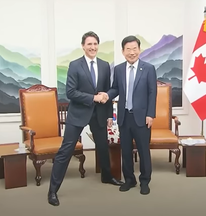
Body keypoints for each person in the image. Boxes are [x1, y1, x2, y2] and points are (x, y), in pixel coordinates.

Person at [48, 31, 123, 207]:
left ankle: (107, 176)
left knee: (103, 147)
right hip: (78, 114)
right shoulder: (75, 65)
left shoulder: (105, 65)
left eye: (95, 44)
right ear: (83, 46)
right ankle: (52, 190)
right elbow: (71, 93)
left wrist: (110, 114)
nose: (93, 47)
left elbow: (108, 91)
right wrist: (93, 98)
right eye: (89, 44)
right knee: (65, 151)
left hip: (99, 114)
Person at [100, 35, 157, 195]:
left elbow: (153, 93)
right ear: (123, 51)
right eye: (128, 49)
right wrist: (106, 95)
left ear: (139, 49)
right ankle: (129, 180)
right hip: (124, 116)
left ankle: (145, 181)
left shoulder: (148, 69)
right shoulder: (118, 69)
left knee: (143, 151)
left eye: (135, 49)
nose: (132, 52)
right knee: (125, 151)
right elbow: (115, 89)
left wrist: (150, 114)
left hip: (142, 117)